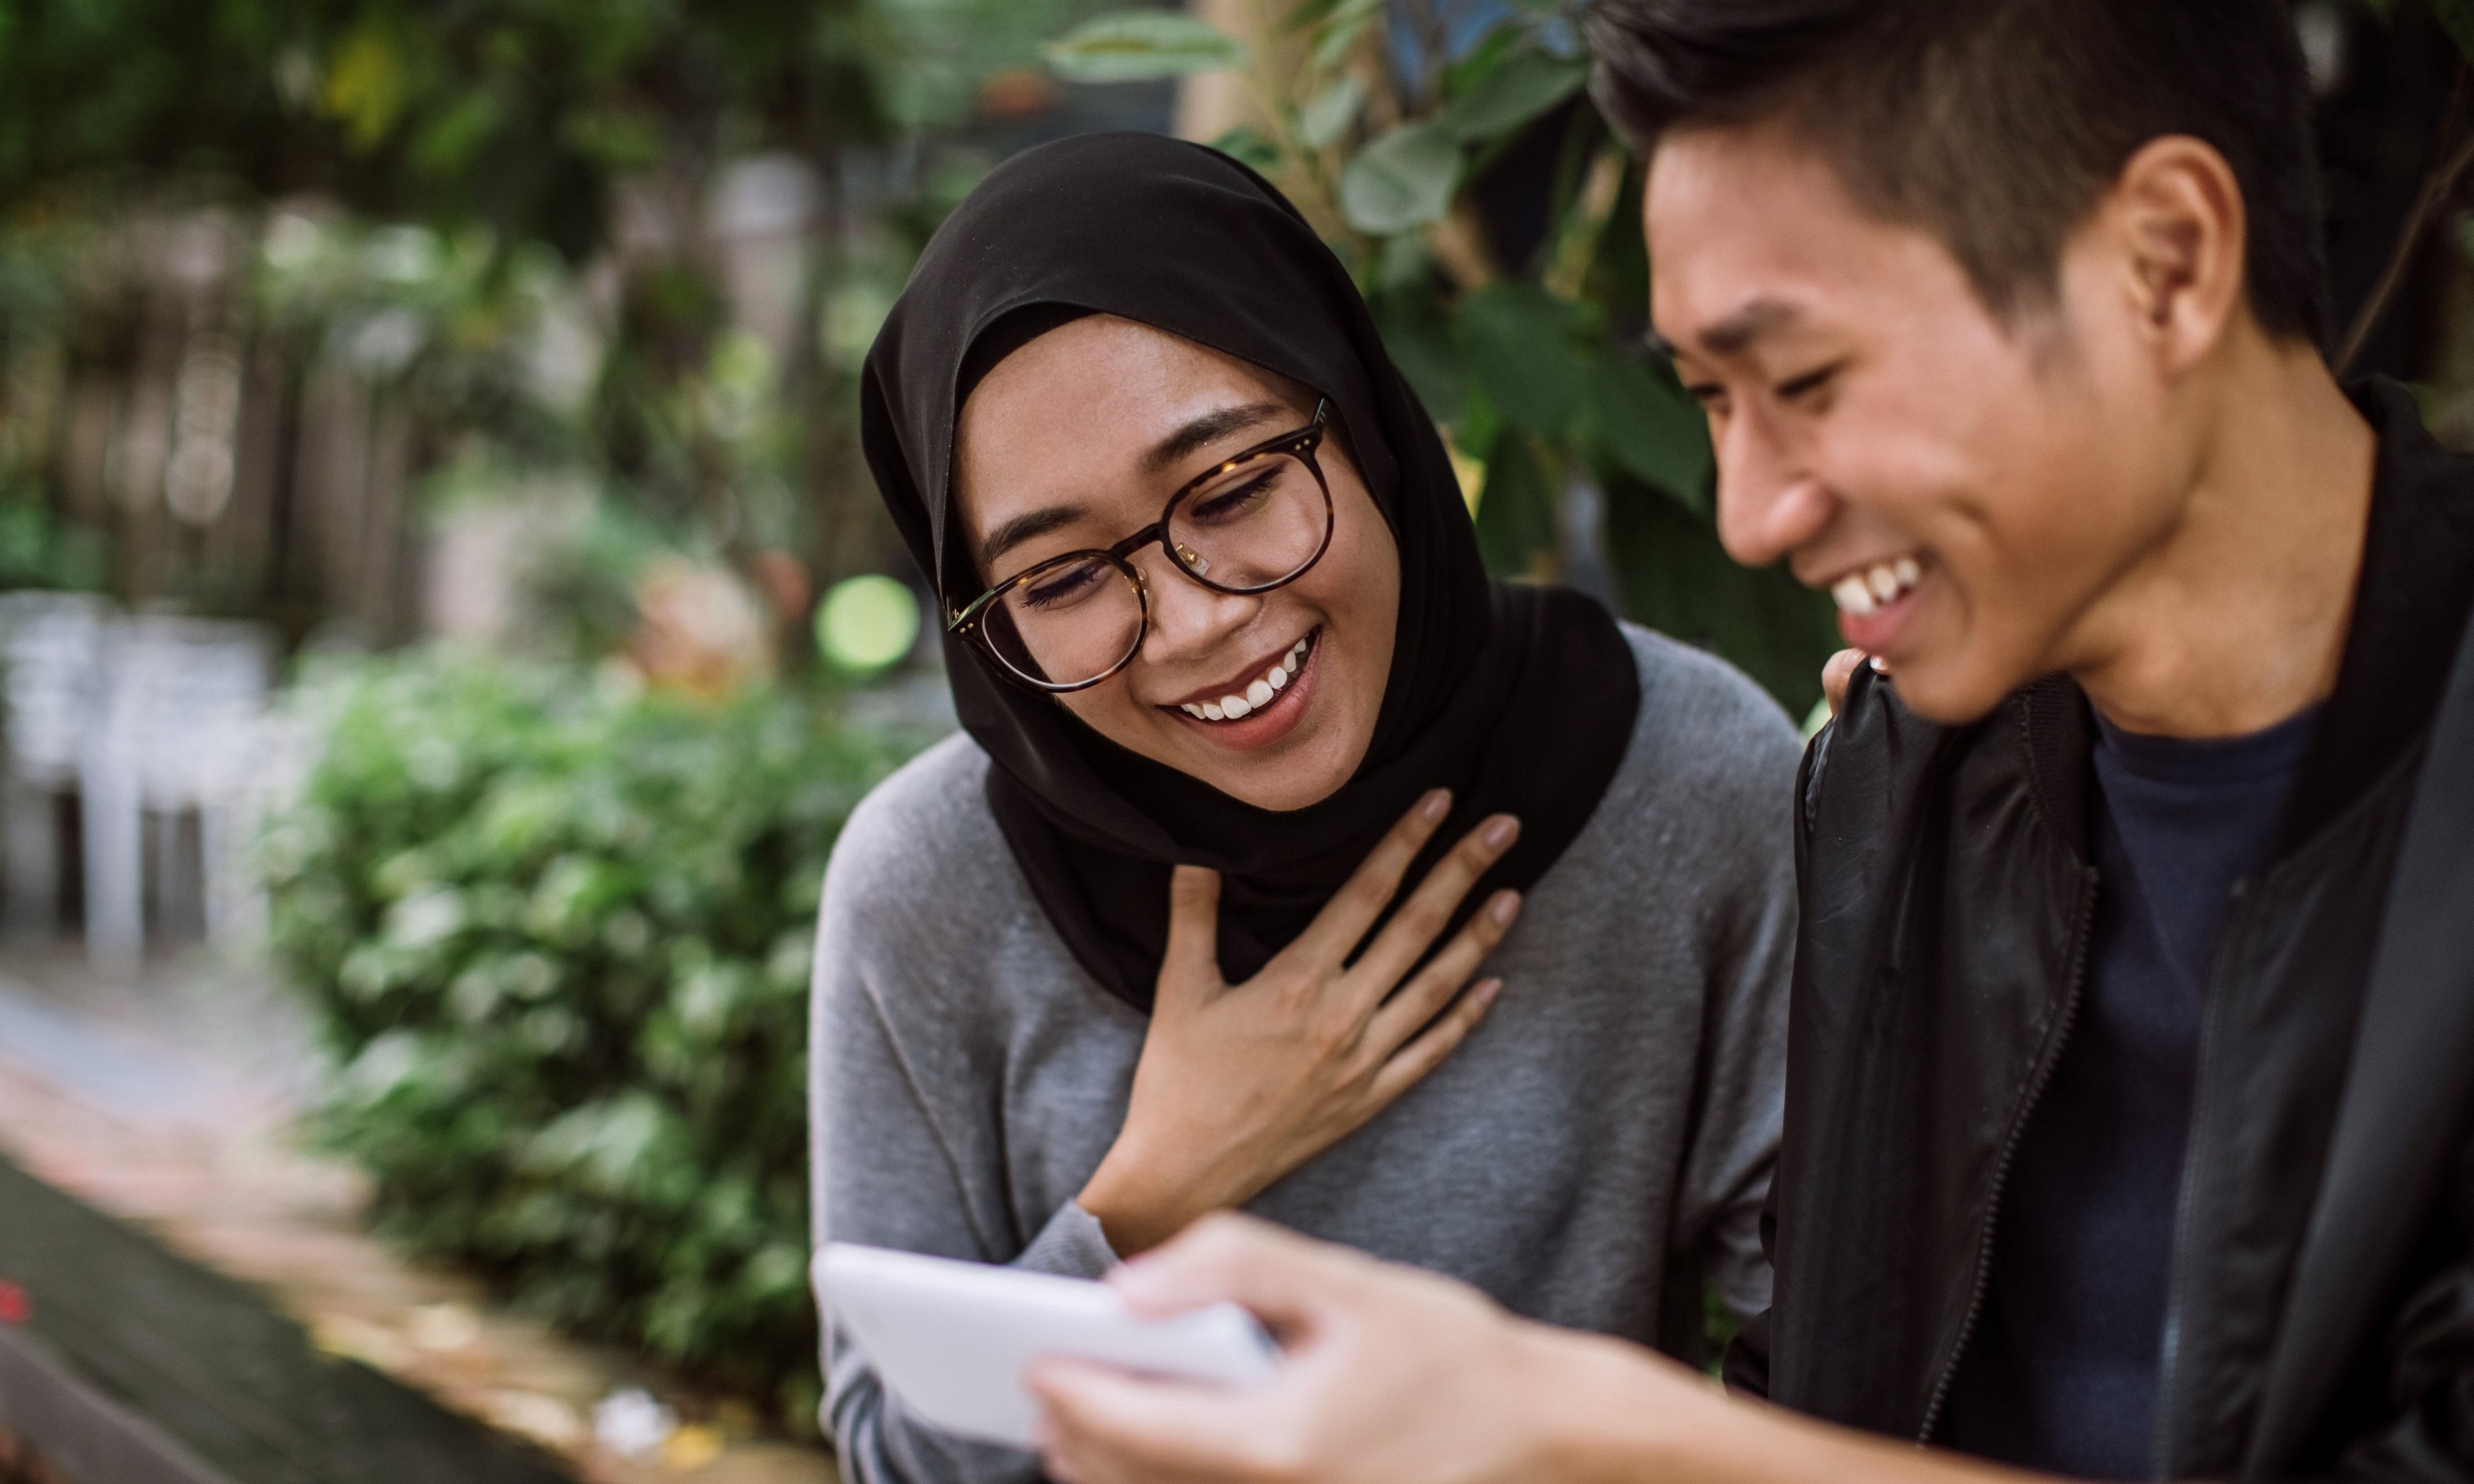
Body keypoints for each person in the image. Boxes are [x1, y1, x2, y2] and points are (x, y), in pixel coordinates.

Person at [1025, 2, 2474, 1481]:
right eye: (1709, 400)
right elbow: (1824, 1379)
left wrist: (1567, 1427)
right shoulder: (1901, 781)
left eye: (1808, 382)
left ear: (2165, 264)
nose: (1748, 513)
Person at [808, 131, 1804, 1483]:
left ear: (1362, 415)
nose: (1195, 624)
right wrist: (1147, 1195)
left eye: (1232, 489)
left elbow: (1823, 1372)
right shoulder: (930, 884)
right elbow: (889, 1456)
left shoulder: (1684, 779)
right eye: (1059, 580)